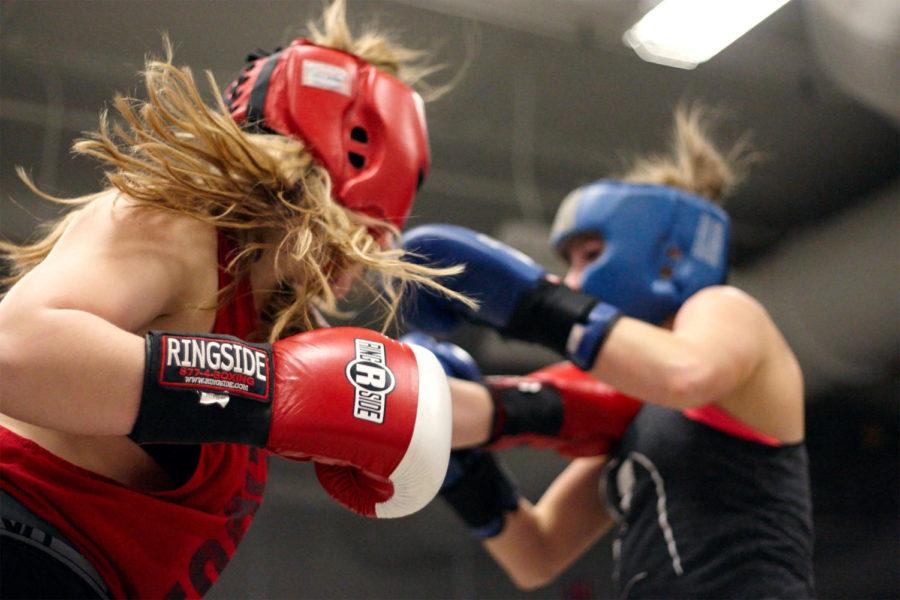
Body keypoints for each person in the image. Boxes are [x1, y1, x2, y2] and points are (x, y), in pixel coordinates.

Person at [0, 2, 465, 598]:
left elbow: (430, 412)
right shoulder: (175, 222)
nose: (357, 272)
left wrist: (545, 403)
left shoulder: (269, 329)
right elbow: (19, 349)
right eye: (370, 240)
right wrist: (262, 389)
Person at [401, 106, 816, 598]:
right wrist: (459, 465)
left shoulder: (726, 310)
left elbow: (684, 371)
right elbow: (536, 554)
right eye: (569, 265)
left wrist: (532, 302)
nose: (574, 281)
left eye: (592, 257)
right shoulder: (636, 415)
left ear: (669, 258)